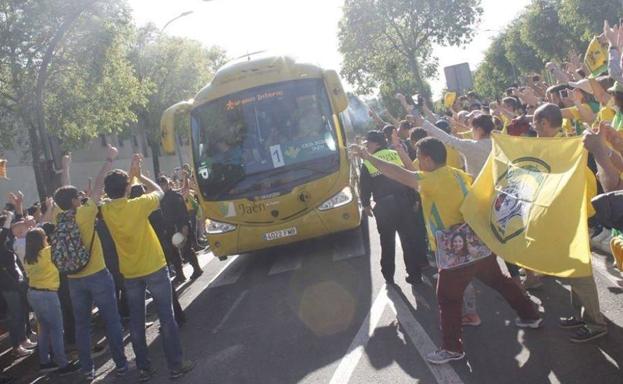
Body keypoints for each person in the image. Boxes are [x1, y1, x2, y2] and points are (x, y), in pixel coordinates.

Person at [350, 137, 541, 364]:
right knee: (499, 281)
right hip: (476, 240)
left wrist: (367, 156)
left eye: (419, 158)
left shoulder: (432, 180)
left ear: (428, 160)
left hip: (455, 246)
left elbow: (399, 174)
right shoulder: (455, 173)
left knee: (447, 298)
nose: (417, 162)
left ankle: (452, 349)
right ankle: (530, 315)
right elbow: (412, 175)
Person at [101, 154, 194, 381]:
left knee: (137, 322)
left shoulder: (106, 210)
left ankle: (143, 369)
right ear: (126, 189)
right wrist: (140, 175)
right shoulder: (139, 205)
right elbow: (160, 192)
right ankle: (175, 365)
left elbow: (107, 195)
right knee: (167, 318)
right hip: (154, 266)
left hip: (130, 272)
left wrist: (127, 174)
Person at [52, 147, 128, 380]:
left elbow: (62, 193)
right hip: (97, 273)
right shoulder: (85, 214)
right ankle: (121, 364)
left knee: (83, 326)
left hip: (74, 279)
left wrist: (65, 168)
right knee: (111, 320)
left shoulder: (59, 216)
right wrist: (109, 160)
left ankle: (87, 369)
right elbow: (98, 187)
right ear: (76, 200)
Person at [533, 103, 607, 342]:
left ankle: (595, 323)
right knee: (574, 268)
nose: (534, 128)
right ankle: (582, 314)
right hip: (567, 216)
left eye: (536, 123)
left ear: (545, 123)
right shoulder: (563, 143)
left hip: (572, 216)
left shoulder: (561, 147)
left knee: (580, 271)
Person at [359, 130, 428, 285]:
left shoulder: (368, 161)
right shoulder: (396, 154)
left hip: (384, 207)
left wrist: (365, 204)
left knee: (387, 241)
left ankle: (388, 275)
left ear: (376, 143)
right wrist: (415, 200)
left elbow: (364, 185)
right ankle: (415, 274)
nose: (366, 146)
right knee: (408, 240)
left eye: (367, 143)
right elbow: (410, 176)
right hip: (405, 203)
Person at [23, 227, 80, 375]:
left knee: (44, 329)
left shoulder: (28, 257)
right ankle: (62, 364)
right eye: (44, 237)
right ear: (41, 240)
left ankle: (45, 362)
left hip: (33, 293)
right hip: (47, 295)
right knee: (56, 330)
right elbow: (60, 244)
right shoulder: (47, 252)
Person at [0, 208, 36, 358]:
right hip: (8, 284)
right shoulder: (2, 240)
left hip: (16, 279)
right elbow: (4, 234)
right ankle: (16, 346)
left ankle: (23, 339)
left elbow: (10, 232)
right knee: (15, 315)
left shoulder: (7, 241)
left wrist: (17, 213)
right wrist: (8, 219)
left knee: (21, 313)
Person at [157, 176, 203, 282]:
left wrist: (184, 228)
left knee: (186, 250)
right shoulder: (161, 198)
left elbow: (183, 214)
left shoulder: (175, 196)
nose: (162, 186)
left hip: (180, 226)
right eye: (160, 184)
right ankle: (180, 274)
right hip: (169, 229)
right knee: (173, 253)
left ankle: (197, 269)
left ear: (168, 184)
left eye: (163, 184)